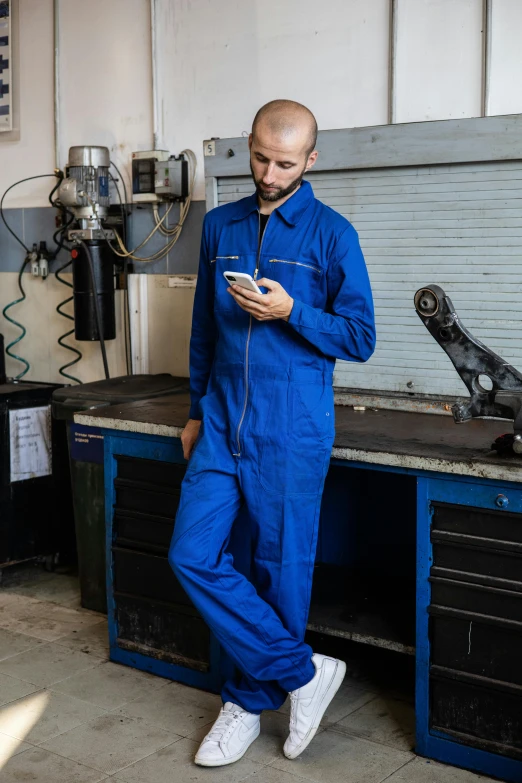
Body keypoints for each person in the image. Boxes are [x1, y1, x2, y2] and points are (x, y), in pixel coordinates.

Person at [168, 99, 376, 767]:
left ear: (311, 160)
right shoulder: (221, 225)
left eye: (285, 162)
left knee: (278, 573)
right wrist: (196, 411)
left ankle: (246, 701)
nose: (268, 171)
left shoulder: (331, 235)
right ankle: (303, 673)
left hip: (291, 430)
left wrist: (293, 311)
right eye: (259, 156)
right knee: (193, 554)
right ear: (247, 147)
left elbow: (361, 336)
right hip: (223, 421)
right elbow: (203, 324)